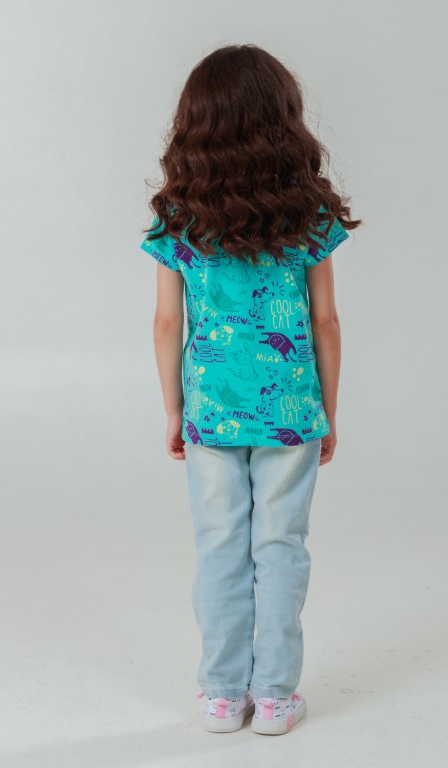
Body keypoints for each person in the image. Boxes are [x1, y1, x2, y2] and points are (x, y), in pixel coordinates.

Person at [140, 44, 361, 735]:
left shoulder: (179, 217)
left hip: (211, 411)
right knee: (281, 546)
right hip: (292, 411)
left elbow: (167, 322)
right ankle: (273, 697)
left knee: (219, 546)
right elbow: (325, 322)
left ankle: (219, 694)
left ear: (194, 125)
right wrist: (328, 411)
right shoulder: (308, 215)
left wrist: (174, 410)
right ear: (283, 121)